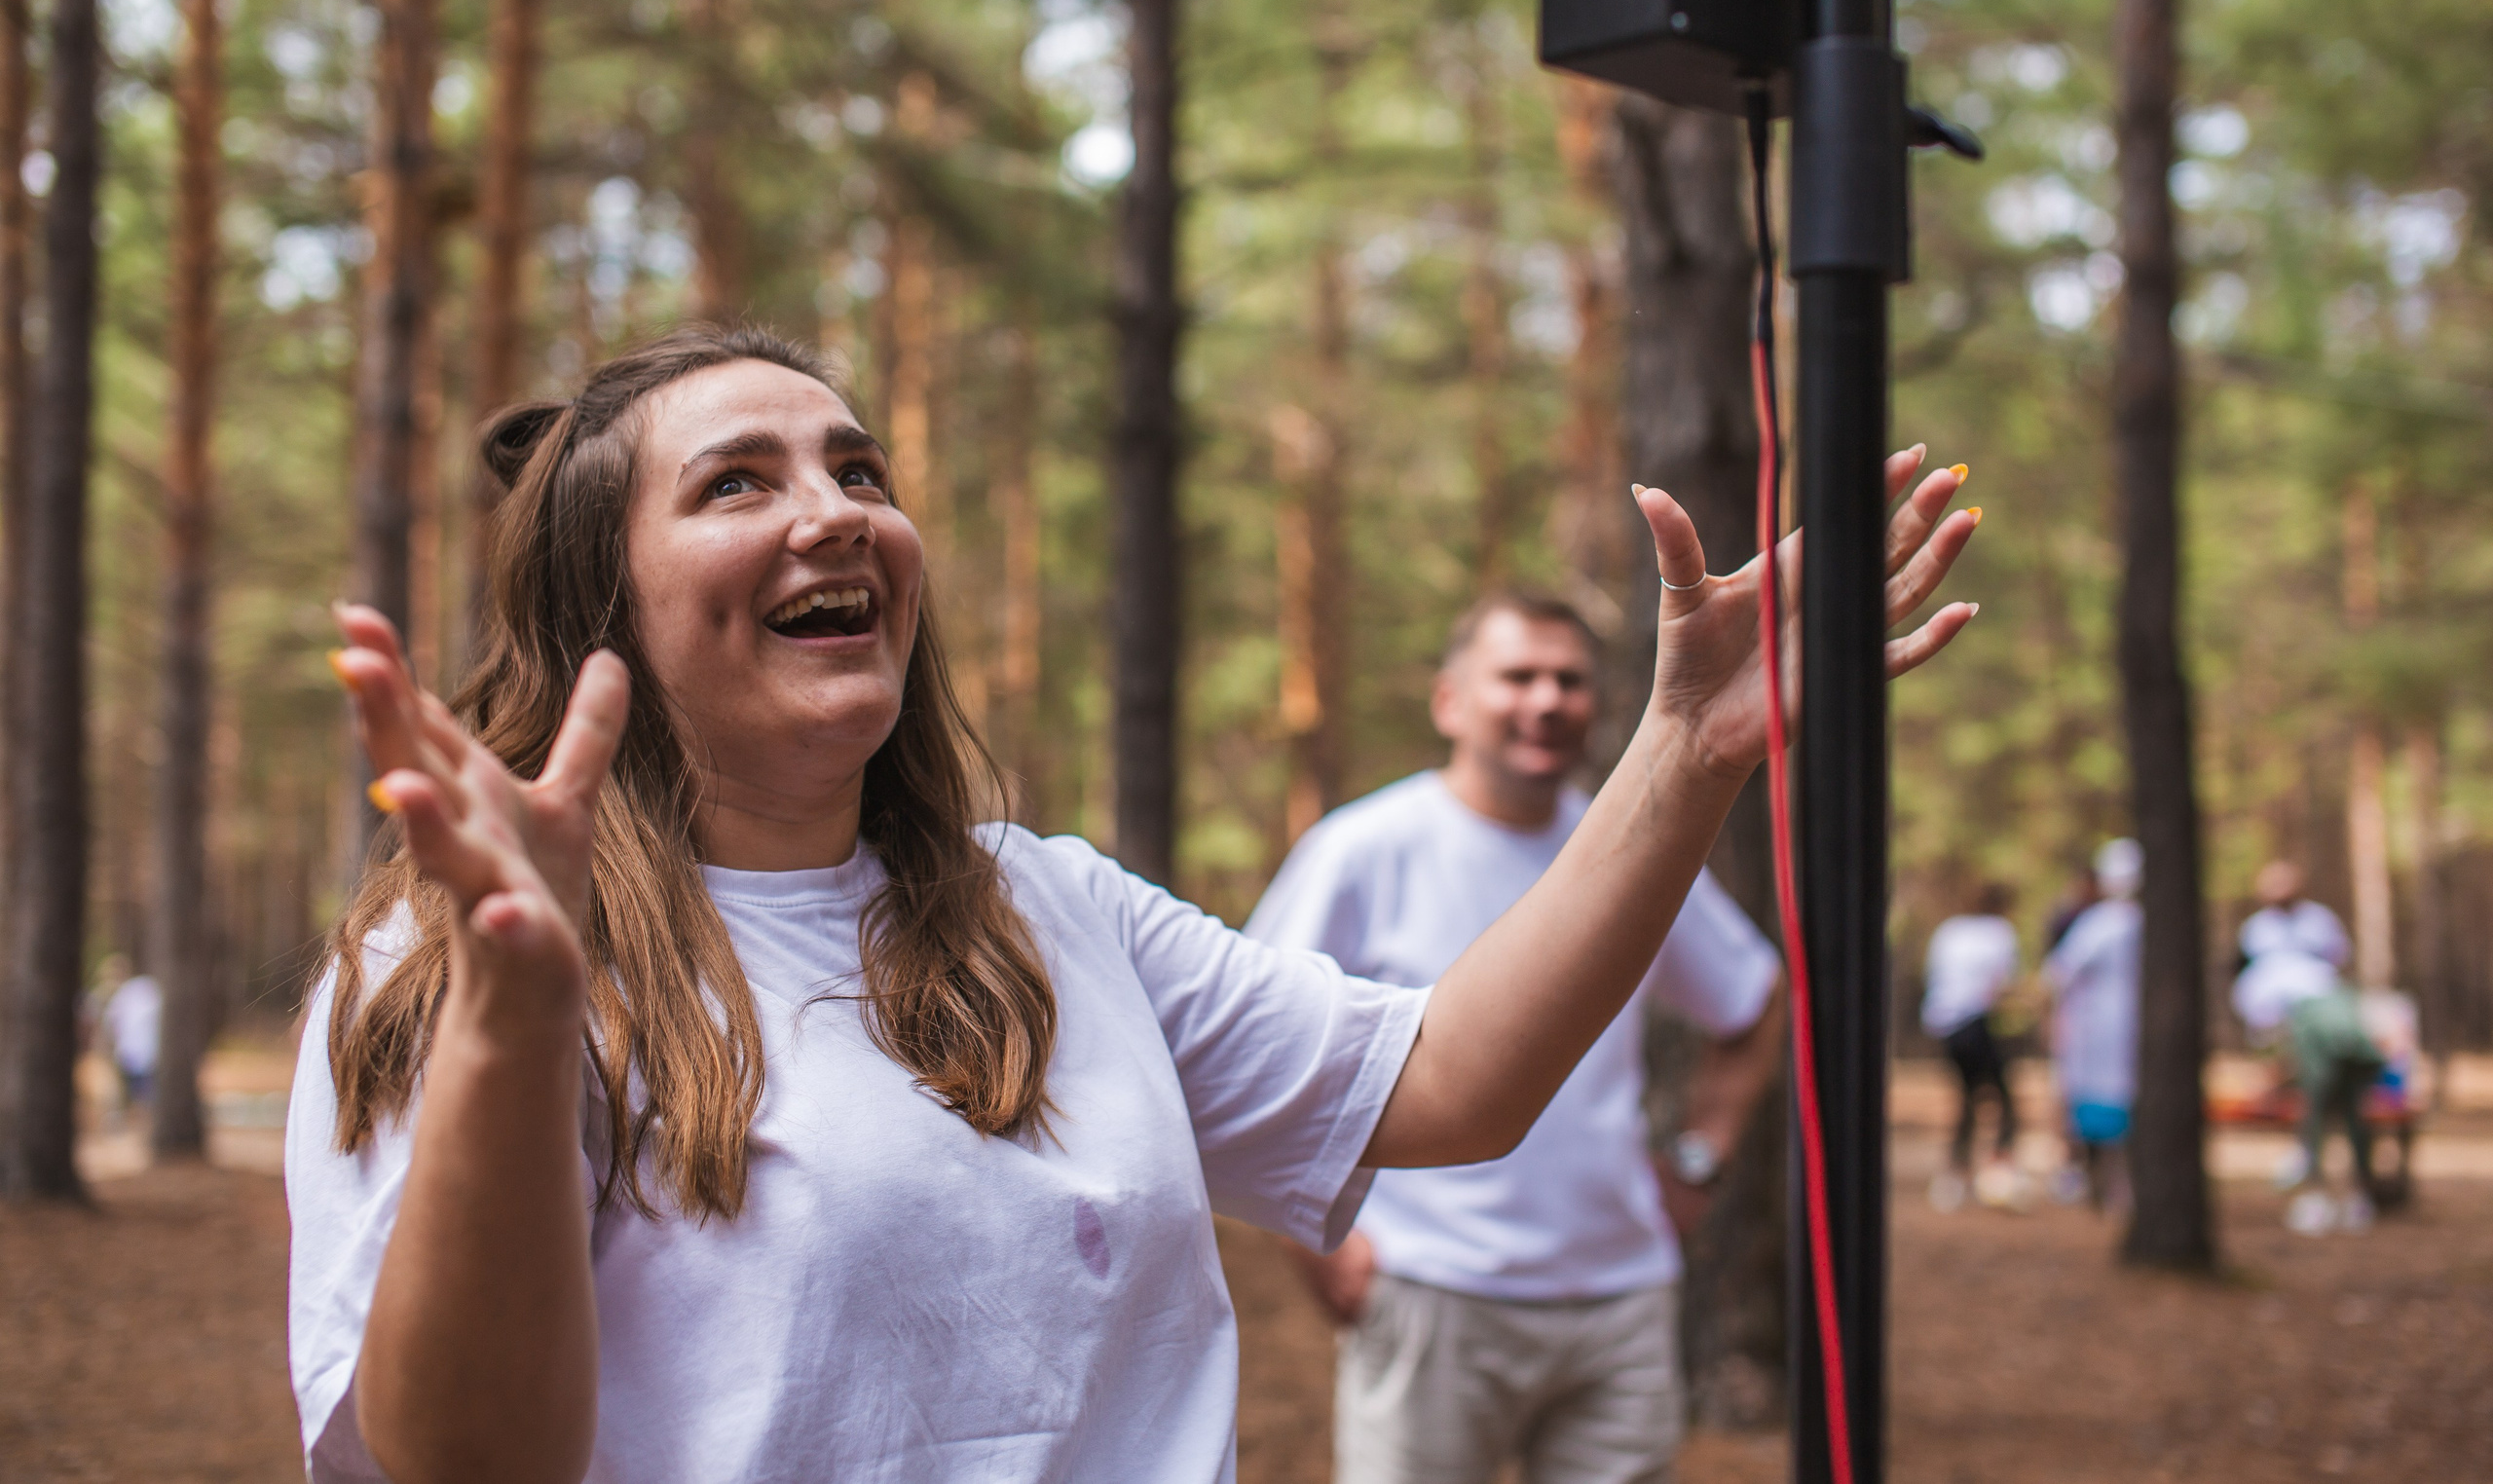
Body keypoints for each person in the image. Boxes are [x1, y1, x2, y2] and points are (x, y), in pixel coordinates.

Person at [287, 324, 1977, 1483]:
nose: (836, 513)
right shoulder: (454, 958)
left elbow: (1452, 1077)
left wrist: (1684, 750)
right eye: (736, 482)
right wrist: (519, 1012)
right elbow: (461, 1459)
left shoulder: (1048, 905)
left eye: (860, 469)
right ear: (605, 600)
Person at [1244, 590, 1784, 1484]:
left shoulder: (1630, 846)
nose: (1546, 699)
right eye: (1518, 675)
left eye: (1569, 680)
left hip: (1620, 1292)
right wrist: (1308, 1237)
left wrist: (1700, 1159)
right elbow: (1256, 1041)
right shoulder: (1365, 848)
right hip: (1431, 1290)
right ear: (1451, 700)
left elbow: (1753, 1000)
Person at [2231, 862, 2376, 1225]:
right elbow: (2249, 988)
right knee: (2316, 1102)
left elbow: (2339, 963)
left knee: (2343, 1101)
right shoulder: (2255, 931)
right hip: (2290, 1025)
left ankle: (2353, 1193)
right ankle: (2317, 1190)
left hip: (2326, 1016)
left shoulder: (2319, 921)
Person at [2042, 839, 2141, 1212]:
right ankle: (2115, 1187)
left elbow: (2058, 974)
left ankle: (2102, 1184)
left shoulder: (2097, 924)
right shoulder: (2145, 923)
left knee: (2100, 1109)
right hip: (2117, 1034)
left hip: (2097, 1034)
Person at [1919, 882, 2021, 1212]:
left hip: (1945, 1025)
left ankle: (1958, 1169)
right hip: (1974, 1022)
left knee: (1967, 1096)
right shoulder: (2000, 934)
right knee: (2001, 1098)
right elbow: (2001, 985)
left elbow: (1934, 978)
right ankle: (1998, 1164)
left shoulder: (1949, 931)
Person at [94, 953, 163, 1118]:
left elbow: (109, 1027)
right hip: (137, 1054)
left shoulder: (130, 993)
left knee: (142, 1094)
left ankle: (143, 1121)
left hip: (138, 1054)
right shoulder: (145, 989)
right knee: (140, 1094)